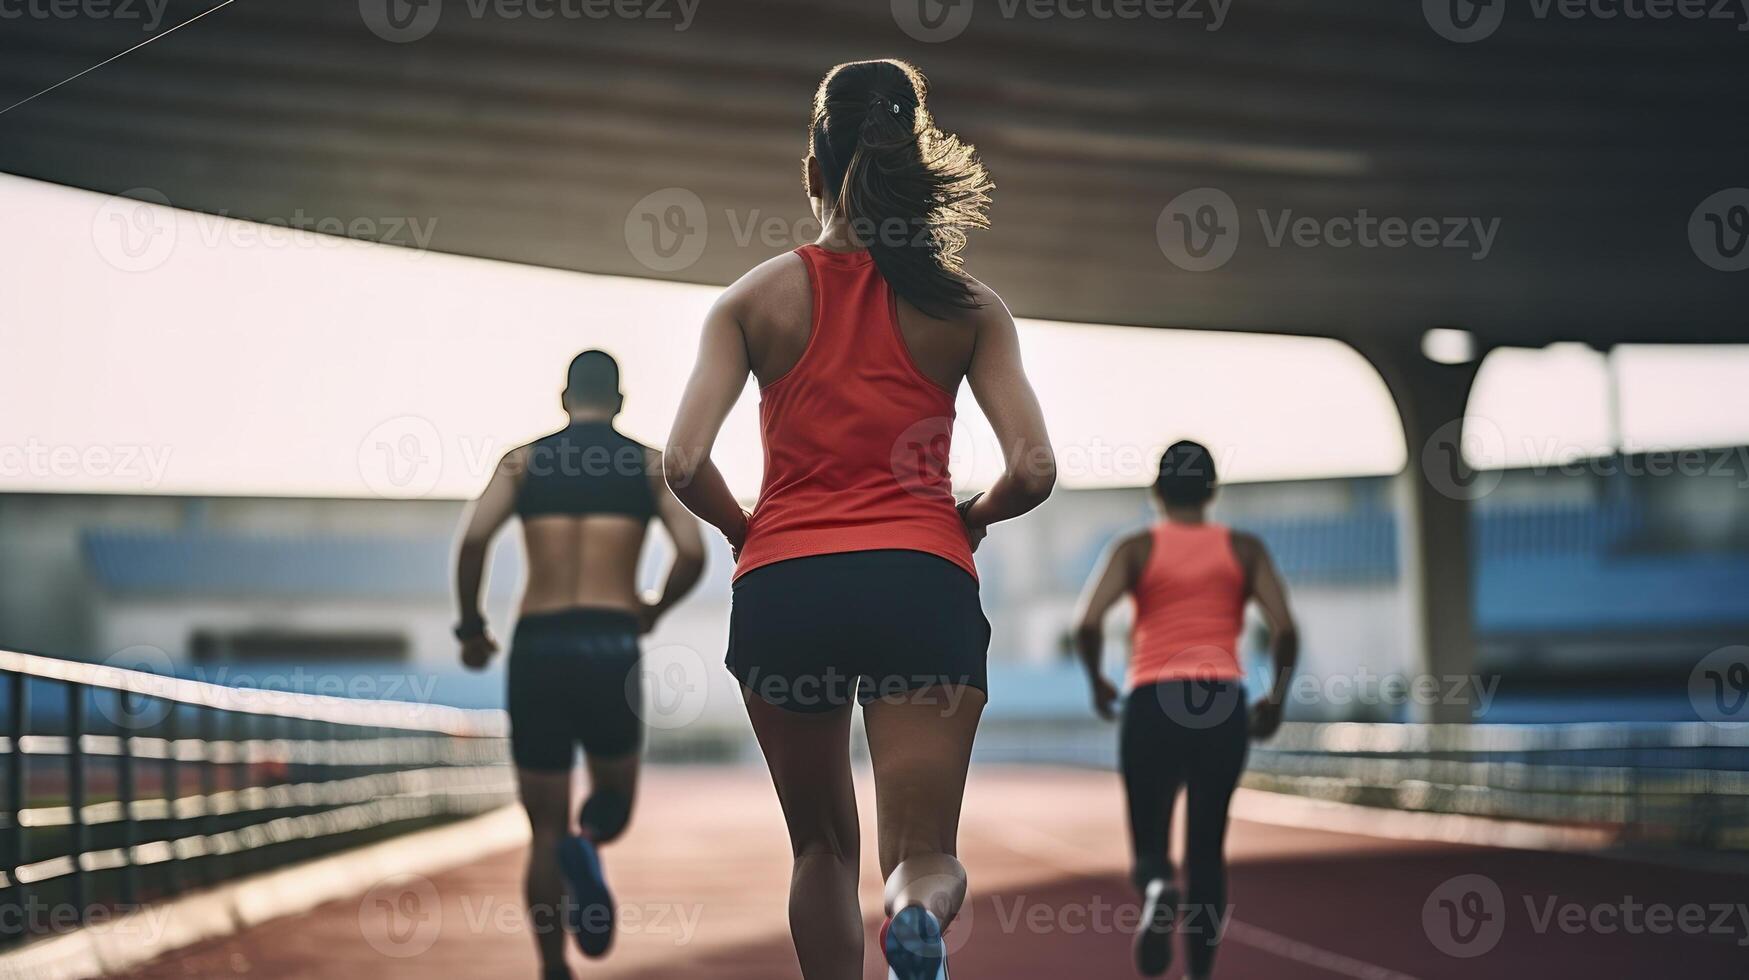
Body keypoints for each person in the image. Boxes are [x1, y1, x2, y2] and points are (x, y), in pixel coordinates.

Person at [664, 59, 1054, 980]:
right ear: (913, 164)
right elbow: (1032, 468)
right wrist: (972, 517)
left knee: (820, 852)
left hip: (784, 586)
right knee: (921, 854)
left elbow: (681, 461)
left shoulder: (749, 300)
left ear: (811, 171)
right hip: (920, 580)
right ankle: (916, 917)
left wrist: (741, 528)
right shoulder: (967, 307)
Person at [452, 349, 705, 979]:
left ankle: (552, 968)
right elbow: (694, 551)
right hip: (609, 642)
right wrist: (651, 610)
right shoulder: (649, 467)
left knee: (540, 830)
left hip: (538, 646)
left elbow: (475, 539)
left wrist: (472, 626)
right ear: (619, 403)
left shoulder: (524, 460)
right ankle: (587, 844)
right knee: (612, 799)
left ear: (564, 399)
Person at [1073, 440, 1298, 980]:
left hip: (1153, 698)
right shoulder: (1244, 549)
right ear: (1212, 491)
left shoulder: (1135, 548)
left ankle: (1155, 886)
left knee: (1150, 841)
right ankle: (1200, 973)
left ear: (1156, 491)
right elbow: (1285, 629)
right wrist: (1277, 696)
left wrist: (1099, 681)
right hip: (1222, 702)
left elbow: (1086, 623)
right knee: (1206, 850)